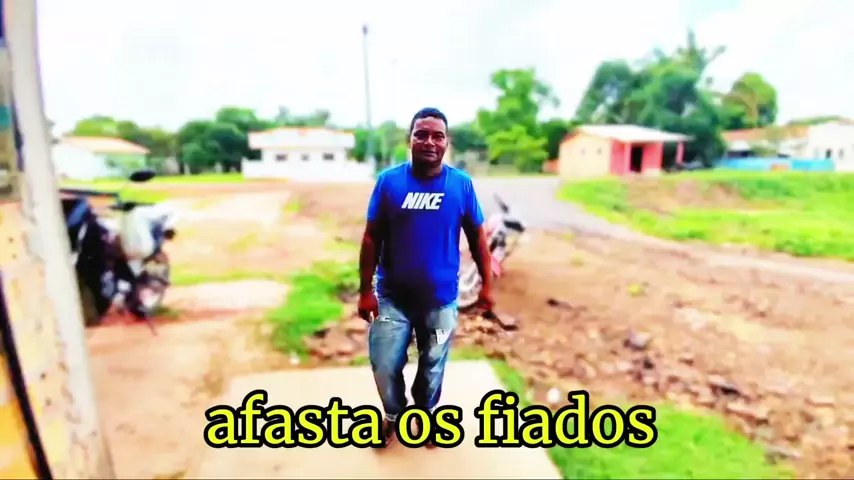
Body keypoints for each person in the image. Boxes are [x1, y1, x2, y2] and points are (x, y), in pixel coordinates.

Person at [357, 107, 495, 447]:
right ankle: (394, 416)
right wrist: (365, 291)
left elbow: (478, 238)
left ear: (447, 142)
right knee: (384, 364)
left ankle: (426, 415)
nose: (429, 142)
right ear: (410, 140)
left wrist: (488, 287)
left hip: (441, 301)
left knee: (433, 364)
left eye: (437, 136)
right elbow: (371, 237)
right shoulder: (389, 182)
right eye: (421, 134)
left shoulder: (461, 185)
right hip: (392, 299)